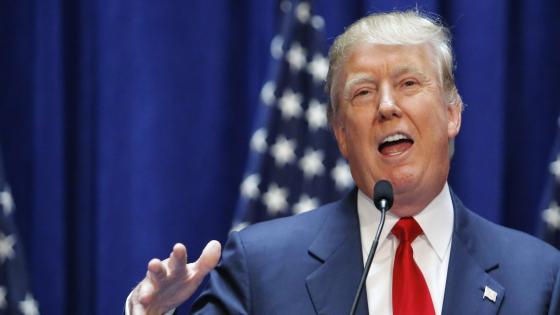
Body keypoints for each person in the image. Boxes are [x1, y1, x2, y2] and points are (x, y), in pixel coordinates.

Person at [127, 10, 560, 315]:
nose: (387, 106)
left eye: (409, 83)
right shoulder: (260, 267)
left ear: (452, 113)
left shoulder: (538, 278)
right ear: (340, 134)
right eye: (363, 92)